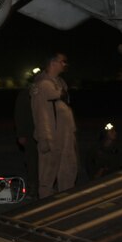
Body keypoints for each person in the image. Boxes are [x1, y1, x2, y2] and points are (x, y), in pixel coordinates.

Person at [31, 52, 78, 198]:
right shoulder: (43, 85)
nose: (65, 64)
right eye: (62, 61)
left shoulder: (60, 83)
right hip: (52, 136)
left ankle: (66, 199)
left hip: (65, 136)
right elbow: (40, 113)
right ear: (53, 63)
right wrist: (44, 136)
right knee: (48, 171)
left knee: (69, 167)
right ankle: (45, 202)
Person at [13, 78, 39, 199]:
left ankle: (44, 187)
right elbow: (20, 115)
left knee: (45, 162)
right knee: (31, 162)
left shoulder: (43, 94)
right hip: (30, 133)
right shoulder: (25, 95)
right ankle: (32, 189)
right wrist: (21, 134)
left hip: (42, 133)